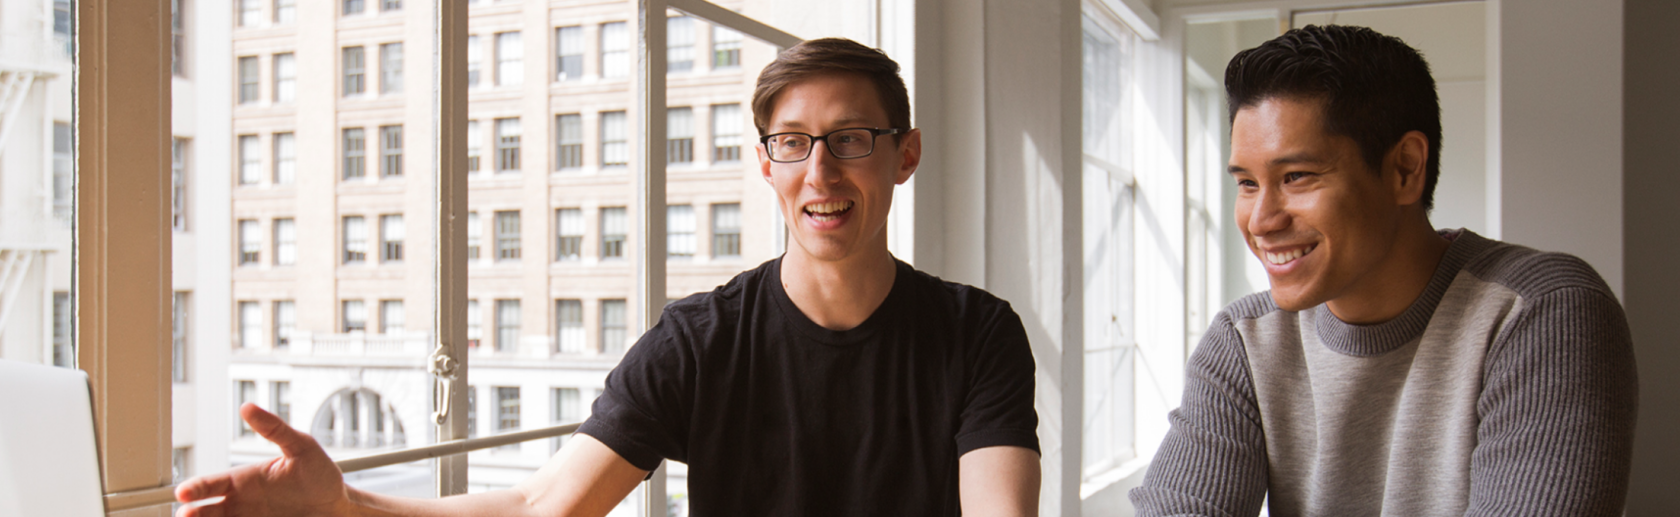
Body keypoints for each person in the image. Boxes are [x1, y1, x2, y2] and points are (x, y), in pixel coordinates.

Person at [173, 37, 1042, 517]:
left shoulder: (976, 333)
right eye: (793, 143)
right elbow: (541, 506)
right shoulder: (700, 342)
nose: (821, 171)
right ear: (767, 166)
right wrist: (349, 508)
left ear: (905, 156)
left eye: (851, 139)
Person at [1130, 25, 1638, 516]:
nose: (1261, 220)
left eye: (1297, 176)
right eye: (1246, 183)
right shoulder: (1245, 341)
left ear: (1405, 169)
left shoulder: (1541, 311)